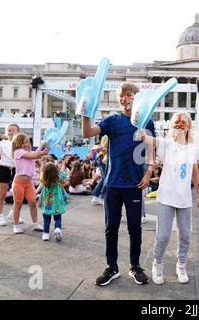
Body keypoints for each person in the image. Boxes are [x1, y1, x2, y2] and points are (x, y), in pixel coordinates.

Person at [82, 82, 155, 286]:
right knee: (111, 227)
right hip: (113, 183)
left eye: (129, 94)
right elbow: (87, 132)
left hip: (134, 183)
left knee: (134, 228)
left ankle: (135, 266)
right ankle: (112, 267)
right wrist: (85, 112)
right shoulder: (113, 121)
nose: (125, 98)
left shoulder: (146, 120)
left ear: (136, 97)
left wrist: (149, 171)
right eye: (121, 95)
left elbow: (151, 148)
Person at [138, 111, 199, 285]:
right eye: (176, 123)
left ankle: (181, 265)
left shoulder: (192, 148)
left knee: (186, 235)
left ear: (189, 126)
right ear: (171, 126)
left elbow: (195, 173)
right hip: (166, 197)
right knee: (163, 235)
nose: (180, 125)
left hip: (184, 200)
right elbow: (145, 139)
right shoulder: (166, 144)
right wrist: (138, 124)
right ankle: (157, 263)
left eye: (184, 122)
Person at [10, 133, 48, 234]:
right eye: (23, 143)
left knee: (32, 203)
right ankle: (16, 225)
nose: (26, 144)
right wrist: (41, 144)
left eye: (27, 142)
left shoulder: (29, 152)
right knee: (18, 204)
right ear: (17, 144)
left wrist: (48, 145)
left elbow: (42, 153)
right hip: (18, 183)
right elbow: (36, 154)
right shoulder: (18, 152)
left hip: (29, 183)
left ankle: (35, 223)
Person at [0, 124, 20, 226]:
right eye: (9, 130)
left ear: (18, 132)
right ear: (6, 132)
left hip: (16, 169)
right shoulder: (2, 143)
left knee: (19, 194)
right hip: (3, 168)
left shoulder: (21, 144)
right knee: (2, 194)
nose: (11, 132)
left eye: (13, 130)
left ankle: (12, 213)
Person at [38, 163, 69, 241]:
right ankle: (57, 228)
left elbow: (42, 193)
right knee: (58, 218)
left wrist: (40, 201)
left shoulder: (44, 181)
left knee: (46, 220)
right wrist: (62, 167)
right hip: (57, 204)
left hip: (47, 203)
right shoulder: (58, 179)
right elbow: (65, 176)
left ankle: (46, 234)